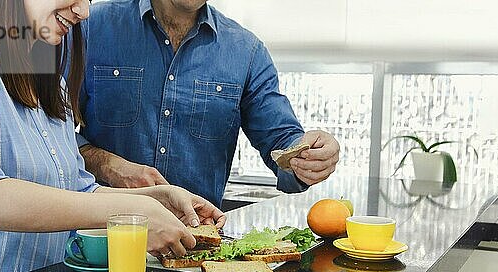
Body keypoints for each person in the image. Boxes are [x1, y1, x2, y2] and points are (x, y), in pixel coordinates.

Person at [0, 0, 225, 272]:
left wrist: (157, 199)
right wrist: (134, 210)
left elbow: (77, 190)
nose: (84, 11)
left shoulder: (50, 80)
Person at [77, 0, 341, 206]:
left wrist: (308, 156)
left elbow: (280, 141)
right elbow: (48, 132)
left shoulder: (247, 52)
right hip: (99, 239)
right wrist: (107, 165)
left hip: (192, 247)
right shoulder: (89, 27)